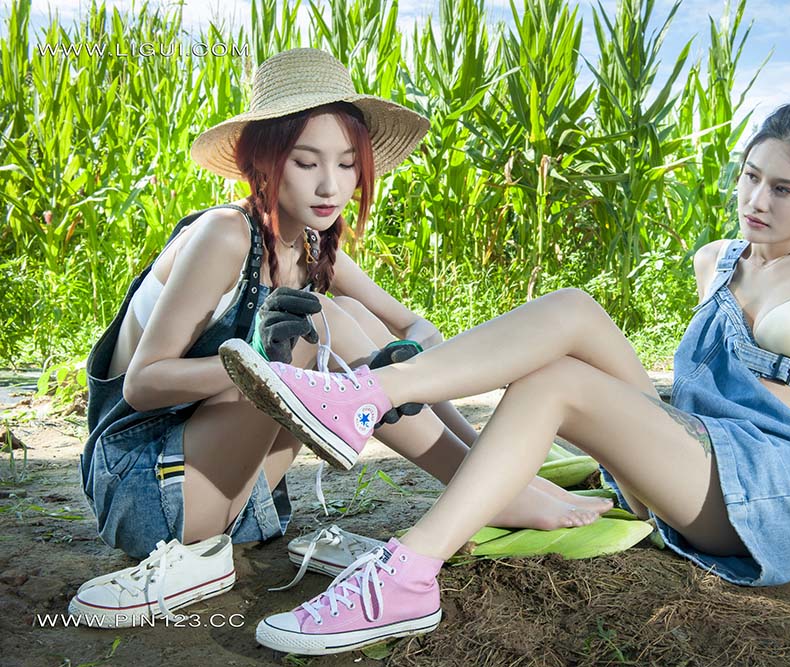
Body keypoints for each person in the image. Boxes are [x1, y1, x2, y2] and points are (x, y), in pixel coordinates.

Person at [217, 100, 790, 656]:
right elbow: (695, 394)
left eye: (784, 189)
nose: (757, 200)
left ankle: (410, 572)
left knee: (554, 381)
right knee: (574, 308)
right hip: (698, 451)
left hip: (774, 488)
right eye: (751, 176)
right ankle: (366, 398)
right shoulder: (716, 261)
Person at [70, 48, 611, 628]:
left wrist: (411, 355)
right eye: (306, 163)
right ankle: (492, 490)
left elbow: (410, 327)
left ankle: (492, 472)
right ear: (262, 161)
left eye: (348, 164)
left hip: (242, 499)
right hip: (152, 492)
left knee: (349, 317)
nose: (331, 185)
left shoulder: (309, 244)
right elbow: (144, 383)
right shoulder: (223, 235)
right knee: (321, 323)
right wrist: (261, 367)